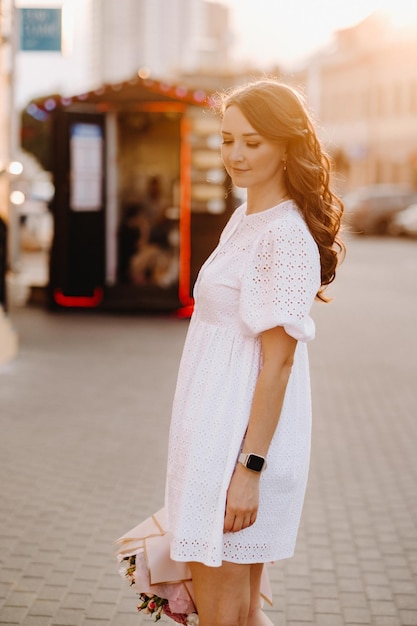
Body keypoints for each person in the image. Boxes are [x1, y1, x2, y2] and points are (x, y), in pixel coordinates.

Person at [164, 78, 345, 626]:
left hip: (239, 450)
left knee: (226, 619)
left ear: (287, 146)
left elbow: (280, 362)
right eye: (226, 140)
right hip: (215, 436)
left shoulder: (284, 237)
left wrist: (249, 470)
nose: (236, 155)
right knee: (238, 617)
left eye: (253, 141)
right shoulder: (247, 219)